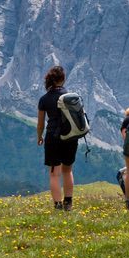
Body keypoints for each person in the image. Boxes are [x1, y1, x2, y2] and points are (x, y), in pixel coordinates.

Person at [36, 65, 77, 211]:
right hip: (71, 136)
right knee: (68, 170)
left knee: (54, 173)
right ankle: (68, 203)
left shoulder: (44, 99)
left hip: (53, 138)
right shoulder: (71, 96)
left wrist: (39, 136)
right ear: (63, 79)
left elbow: (41, 123)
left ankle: (58, 205)